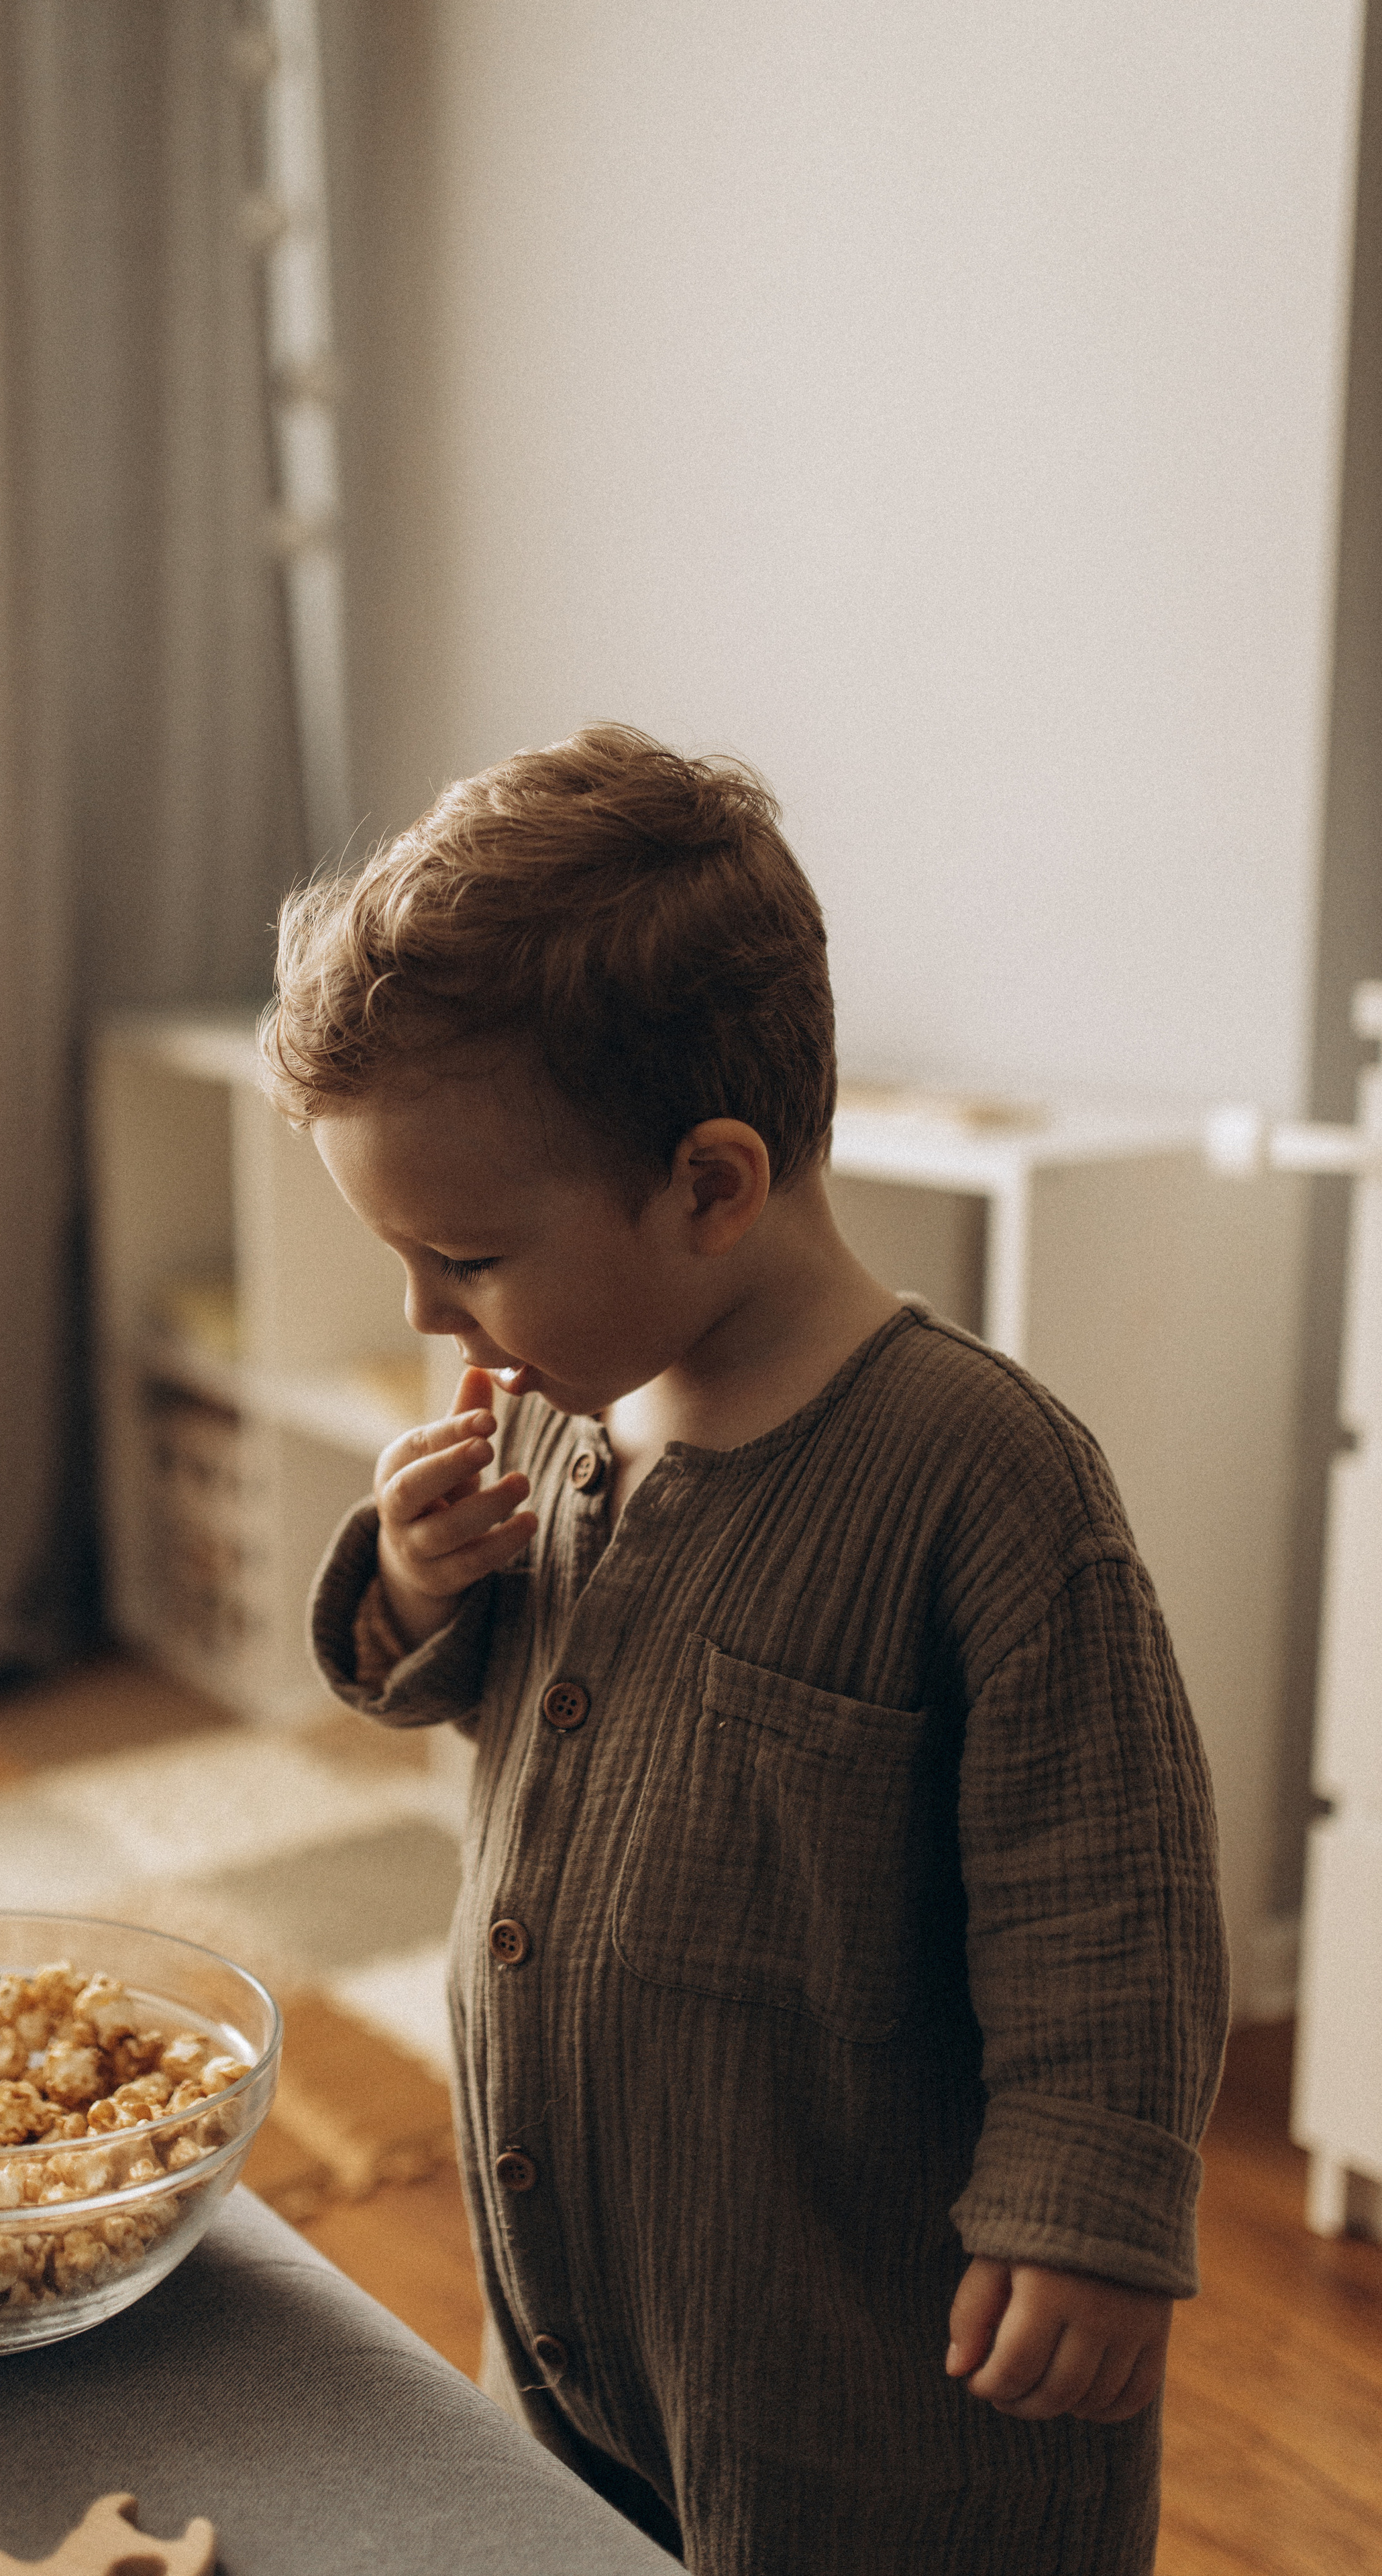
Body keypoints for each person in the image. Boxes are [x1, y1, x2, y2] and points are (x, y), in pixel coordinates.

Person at [258, 724, 1229, 2575]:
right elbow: (457, 1689)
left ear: (713, 1184)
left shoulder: (985, 1479)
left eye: (462, 1252)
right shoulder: (556, 1401)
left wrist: (1092, 2210)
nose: (421, 1314)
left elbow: (1111, 1891)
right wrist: (415, 1572)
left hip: (863, 2369)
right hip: (580, 2306)